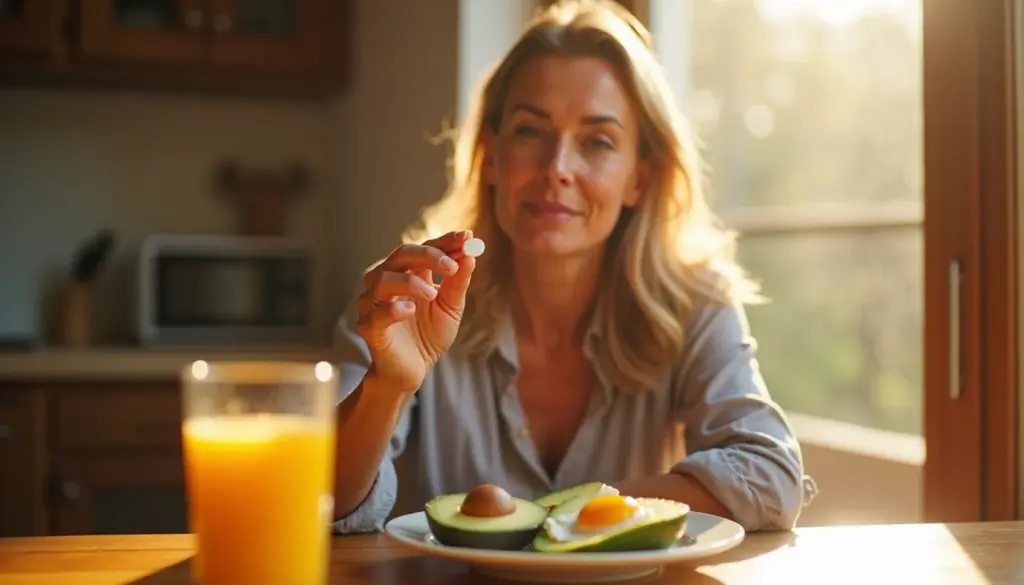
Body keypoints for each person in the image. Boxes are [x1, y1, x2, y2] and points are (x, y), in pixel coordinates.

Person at [330, 0, 813, 535]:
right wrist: (385, 386)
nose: (557, 168)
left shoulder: (694, 302)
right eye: (530, 131)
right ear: (490, 155)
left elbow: (771, 477)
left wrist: (551, 515)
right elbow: (326, 503)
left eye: (598, 142)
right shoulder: (408, 298)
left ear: (640, 177)